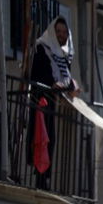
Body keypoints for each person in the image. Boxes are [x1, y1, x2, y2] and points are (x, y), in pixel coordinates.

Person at [27, 16, 79, 189]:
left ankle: (44, 178)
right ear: (52, 32)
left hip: (51, 103)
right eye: (58, 32)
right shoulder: (42, 48)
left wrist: (71, 85)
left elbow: (66, 79)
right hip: (39, 99)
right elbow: (37, 74)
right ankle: (39, 178)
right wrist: (52, 85)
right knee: (40, 137)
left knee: (50, 139)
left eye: (64, 32)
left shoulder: (63, 56)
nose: (61, 35)